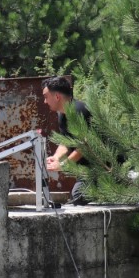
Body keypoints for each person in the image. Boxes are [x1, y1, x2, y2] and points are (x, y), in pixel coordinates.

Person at [42, 76, 92, 205]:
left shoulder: (79, 110)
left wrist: (64, 165)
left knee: (79, 196)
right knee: (78, 197)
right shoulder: (62, 113)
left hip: (104, 166)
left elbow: (86, 145)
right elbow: (67, 141)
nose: (44, 102)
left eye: (46, 97)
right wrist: (56, 158)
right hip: (87, 170)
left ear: (57, 96)